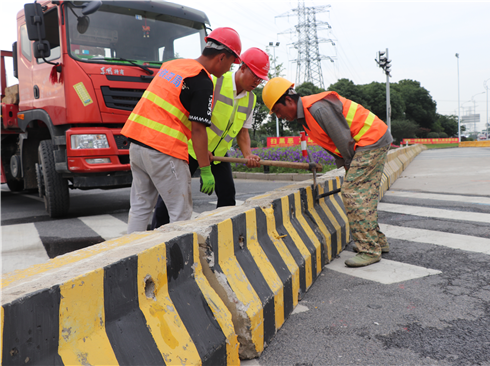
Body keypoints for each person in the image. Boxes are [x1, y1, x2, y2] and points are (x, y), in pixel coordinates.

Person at [262, 77, 393, 268]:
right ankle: (377, 242)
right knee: (364, 194)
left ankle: (369, 249)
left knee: (352, 193)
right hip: (373, 139)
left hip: (369, 140)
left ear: (289, 101)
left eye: (278, 111)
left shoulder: (317, 109)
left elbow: (343, 138)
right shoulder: (307, 114)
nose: (279, 117)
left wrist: (349, 165)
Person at [121, 27, 242, 234]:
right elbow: (198, 130)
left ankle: (131, 257)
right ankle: (181, 263)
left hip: (137, 144)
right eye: (231, 63)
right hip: (164, 150)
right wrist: (205, 169)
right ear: (222, 57)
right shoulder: (203, 81)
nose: (228, 70)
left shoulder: (172, 65)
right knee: (181, 214)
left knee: (141, 207)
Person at [151, 48, 269, 229]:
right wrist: (201, 150)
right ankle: (156, 232)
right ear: (243, 68)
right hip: (191, 148)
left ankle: (224, 234)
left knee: (228, 196)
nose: (257, 81)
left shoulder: (251, 99)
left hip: (219, 155)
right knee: (173, 193)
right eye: (255, 76)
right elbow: (192, 119)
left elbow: (243, 132)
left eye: (261, 78)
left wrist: (248, 155)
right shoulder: (214, 82)